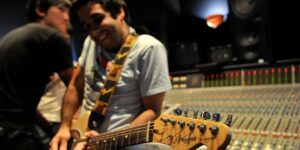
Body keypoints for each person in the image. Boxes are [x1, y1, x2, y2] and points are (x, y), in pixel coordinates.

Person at [50, 0, 172, 149]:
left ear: (120, 12)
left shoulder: (149, 48)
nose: (94, 31)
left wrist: (108, 142)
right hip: (83, 137)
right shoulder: (90, 42)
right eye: (87, 26)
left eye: (97, 19)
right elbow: (76, 86)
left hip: (121, 142)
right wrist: (64, 126)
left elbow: (152, 110)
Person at [0, 0, 75, 149]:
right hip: (15, 133)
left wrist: (49, 128)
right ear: (41, 10)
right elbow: (76, 88)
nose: (67, 18)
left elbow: (22, 102)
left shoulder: (17, 36)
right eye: (61, 10)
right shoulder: (52, 36)